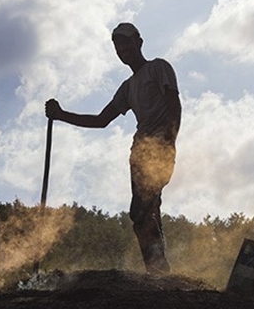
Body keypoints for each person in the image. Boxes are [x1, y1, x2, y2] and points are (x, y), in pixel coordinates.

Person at [45, 22, 181, 275]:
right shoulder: (128, 88)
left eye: (126, 43)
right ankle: (158, 270)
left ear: (139, 42)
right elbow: (101, 120)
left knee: (142, 210)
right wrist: (61, 115)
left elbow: (174, 105)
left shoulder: (158, 68)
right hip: (139, 153)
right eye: (118, 46)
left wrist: (168, 141)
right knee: (146, 210)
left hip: (159, 148)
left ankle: (158, 269)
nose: (122, 49)